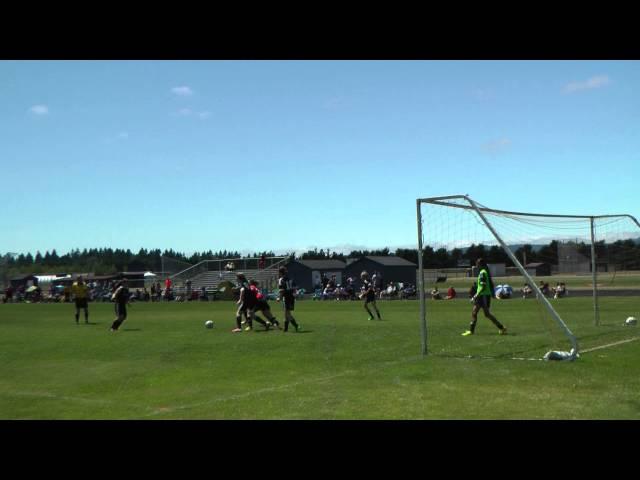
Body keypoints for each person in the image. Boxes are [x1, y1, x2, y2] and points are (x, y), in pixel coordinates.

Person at [462, 258, 507, 336]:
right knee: (485, 314)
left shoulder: (482, 273)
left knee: (475, 313)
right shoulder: (484, 272)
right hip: (484, 296)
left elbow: (483, 286)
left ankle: (471, 331)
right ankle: (501, 327)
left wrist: (475, 295)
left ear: (479, 264)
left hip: (482, 296)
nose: (476, 265)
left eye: (477, 264)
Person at [278, 266, 301, 332]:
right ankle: (286, 329)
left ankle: (296, 325)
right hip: (291, 297)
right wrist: (294, 293)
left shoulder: (281, 280)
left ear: (280, 272)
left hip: (286, 297)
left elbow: (281, 290)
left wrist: (279, 297)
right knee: (286, 313)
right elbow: (296, 287)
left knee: (287, 314)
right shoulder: (290, 278)